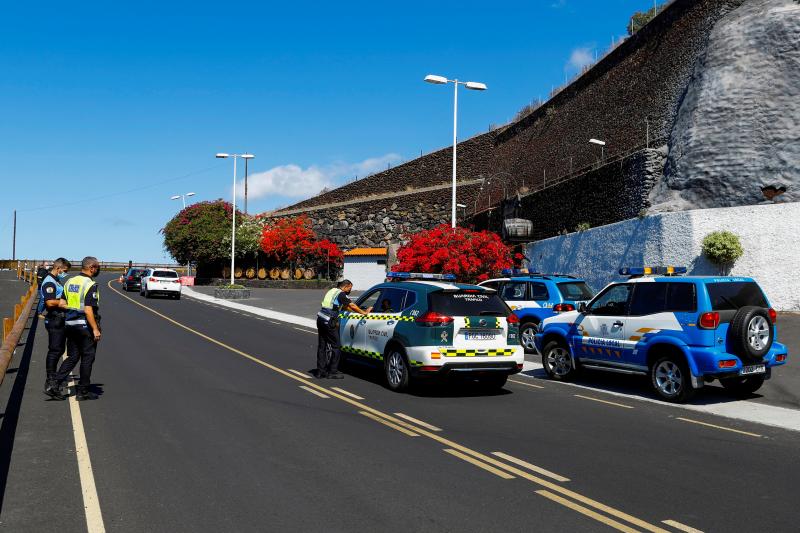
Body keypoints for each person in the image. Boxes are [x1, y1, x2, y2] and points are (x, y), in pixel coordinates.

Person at [54, 257, 102, 401]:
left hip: (70, 325)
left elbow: (62, 303)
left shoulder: (70, 281)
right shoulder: (90, 284)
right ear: (91, 267)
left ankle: (54, 383)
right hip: (84, 326)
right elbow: (88, 310)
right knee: (88, 357)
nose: (98, 269)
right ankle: (83, 391)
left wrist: (74, 309)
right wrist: (95, 329)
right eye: (97, 267)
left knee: (73, 356)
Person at [316, 279, 371, 379]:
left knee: (322, 346)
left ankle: (320, 371)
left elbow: (346, 307)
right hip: (329, 320)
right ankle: (332, 371)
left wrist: (356, 311)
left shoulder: (332, 291)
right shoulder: (341, 294)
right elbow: (351, 305)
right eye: (350, 288)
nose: (350, 290)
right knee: (336, 346)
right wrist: (363, 313)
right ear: (346, 286)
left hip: (320, 318)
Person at [40, 258, 71, 400]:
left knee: (58, 350)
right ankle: (51, 382)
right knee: (55, 350)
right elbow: (50, 301)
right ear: (58, 268)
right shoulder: (49, 282)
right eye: (64, 271)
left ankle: (52, 381)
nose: (65, 274)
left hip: (59, 319)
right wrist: (66, 304)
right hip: (54, 319)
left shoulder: (56, 281)